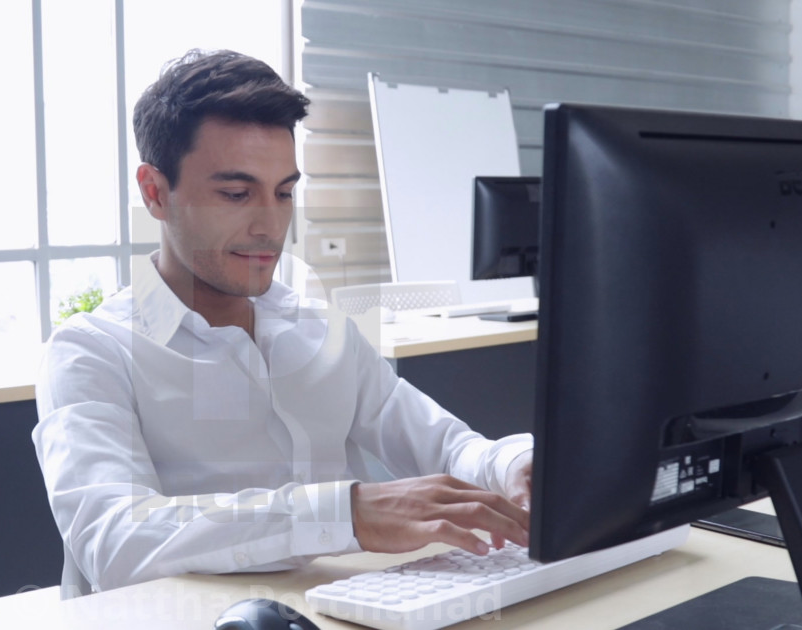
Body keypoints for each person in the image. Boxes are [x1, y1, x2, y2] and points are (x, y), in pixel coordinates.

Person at [32, 49, 533, 598]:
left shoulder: (322, 331)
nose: (270, 225)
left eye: (285, 192)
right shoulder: (90, 353)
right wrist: (346, 514)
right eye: (236, 194)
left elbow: (448, 447)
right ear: (155, 191)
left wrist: (514, 465)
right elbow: (116, 543)